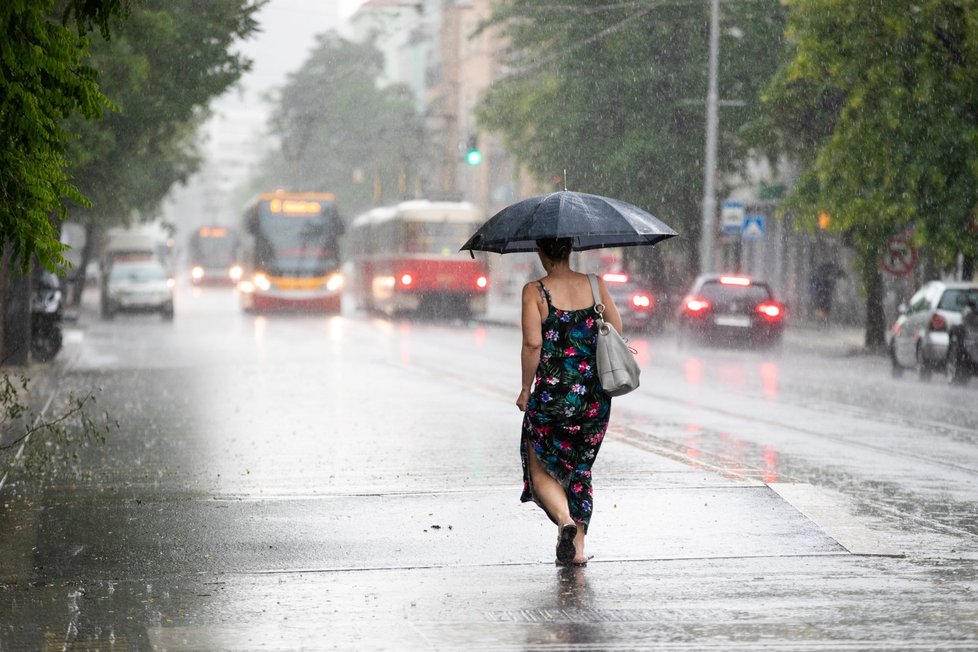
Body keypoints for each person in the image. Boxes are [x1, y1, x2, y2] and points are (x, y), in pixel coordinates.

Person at [516, 237, 623, 567]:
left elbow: (533, 344)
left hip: (553, 393)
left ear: (541, 252)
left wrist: (525, 388)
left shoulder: (535, 291)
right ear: (570, 249)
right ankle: (576, 550)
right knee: (579, 469)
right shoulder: (595, 286)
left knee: (540, 466)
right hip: (593, 397)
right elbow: (615, 330)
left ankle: (565, 520)